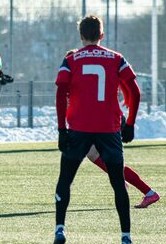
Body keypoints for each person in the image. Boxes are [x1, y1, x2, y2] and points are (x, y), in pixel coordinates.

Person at [51, 15, 141, 244]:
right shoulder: (117, 58)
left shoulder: (70, 59)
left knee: (65, 180)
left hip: (78, 129)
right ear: (102, 35)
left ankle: (59, 229)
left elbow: (60, 93)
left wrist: (61, 129)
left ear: (81, 36)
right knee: (117, 184)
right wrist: (130, 123)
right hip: (108, 130)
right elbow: (135, 91)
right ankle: (126, 238)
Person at [63, 49, 160, 209]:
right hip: (107, 119)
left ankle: (147, 192)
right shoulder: (85, 76)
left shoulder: (77, 80)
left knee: (103, 159)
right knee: (94, 155)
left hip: (105, 121)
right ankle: (141, 189)